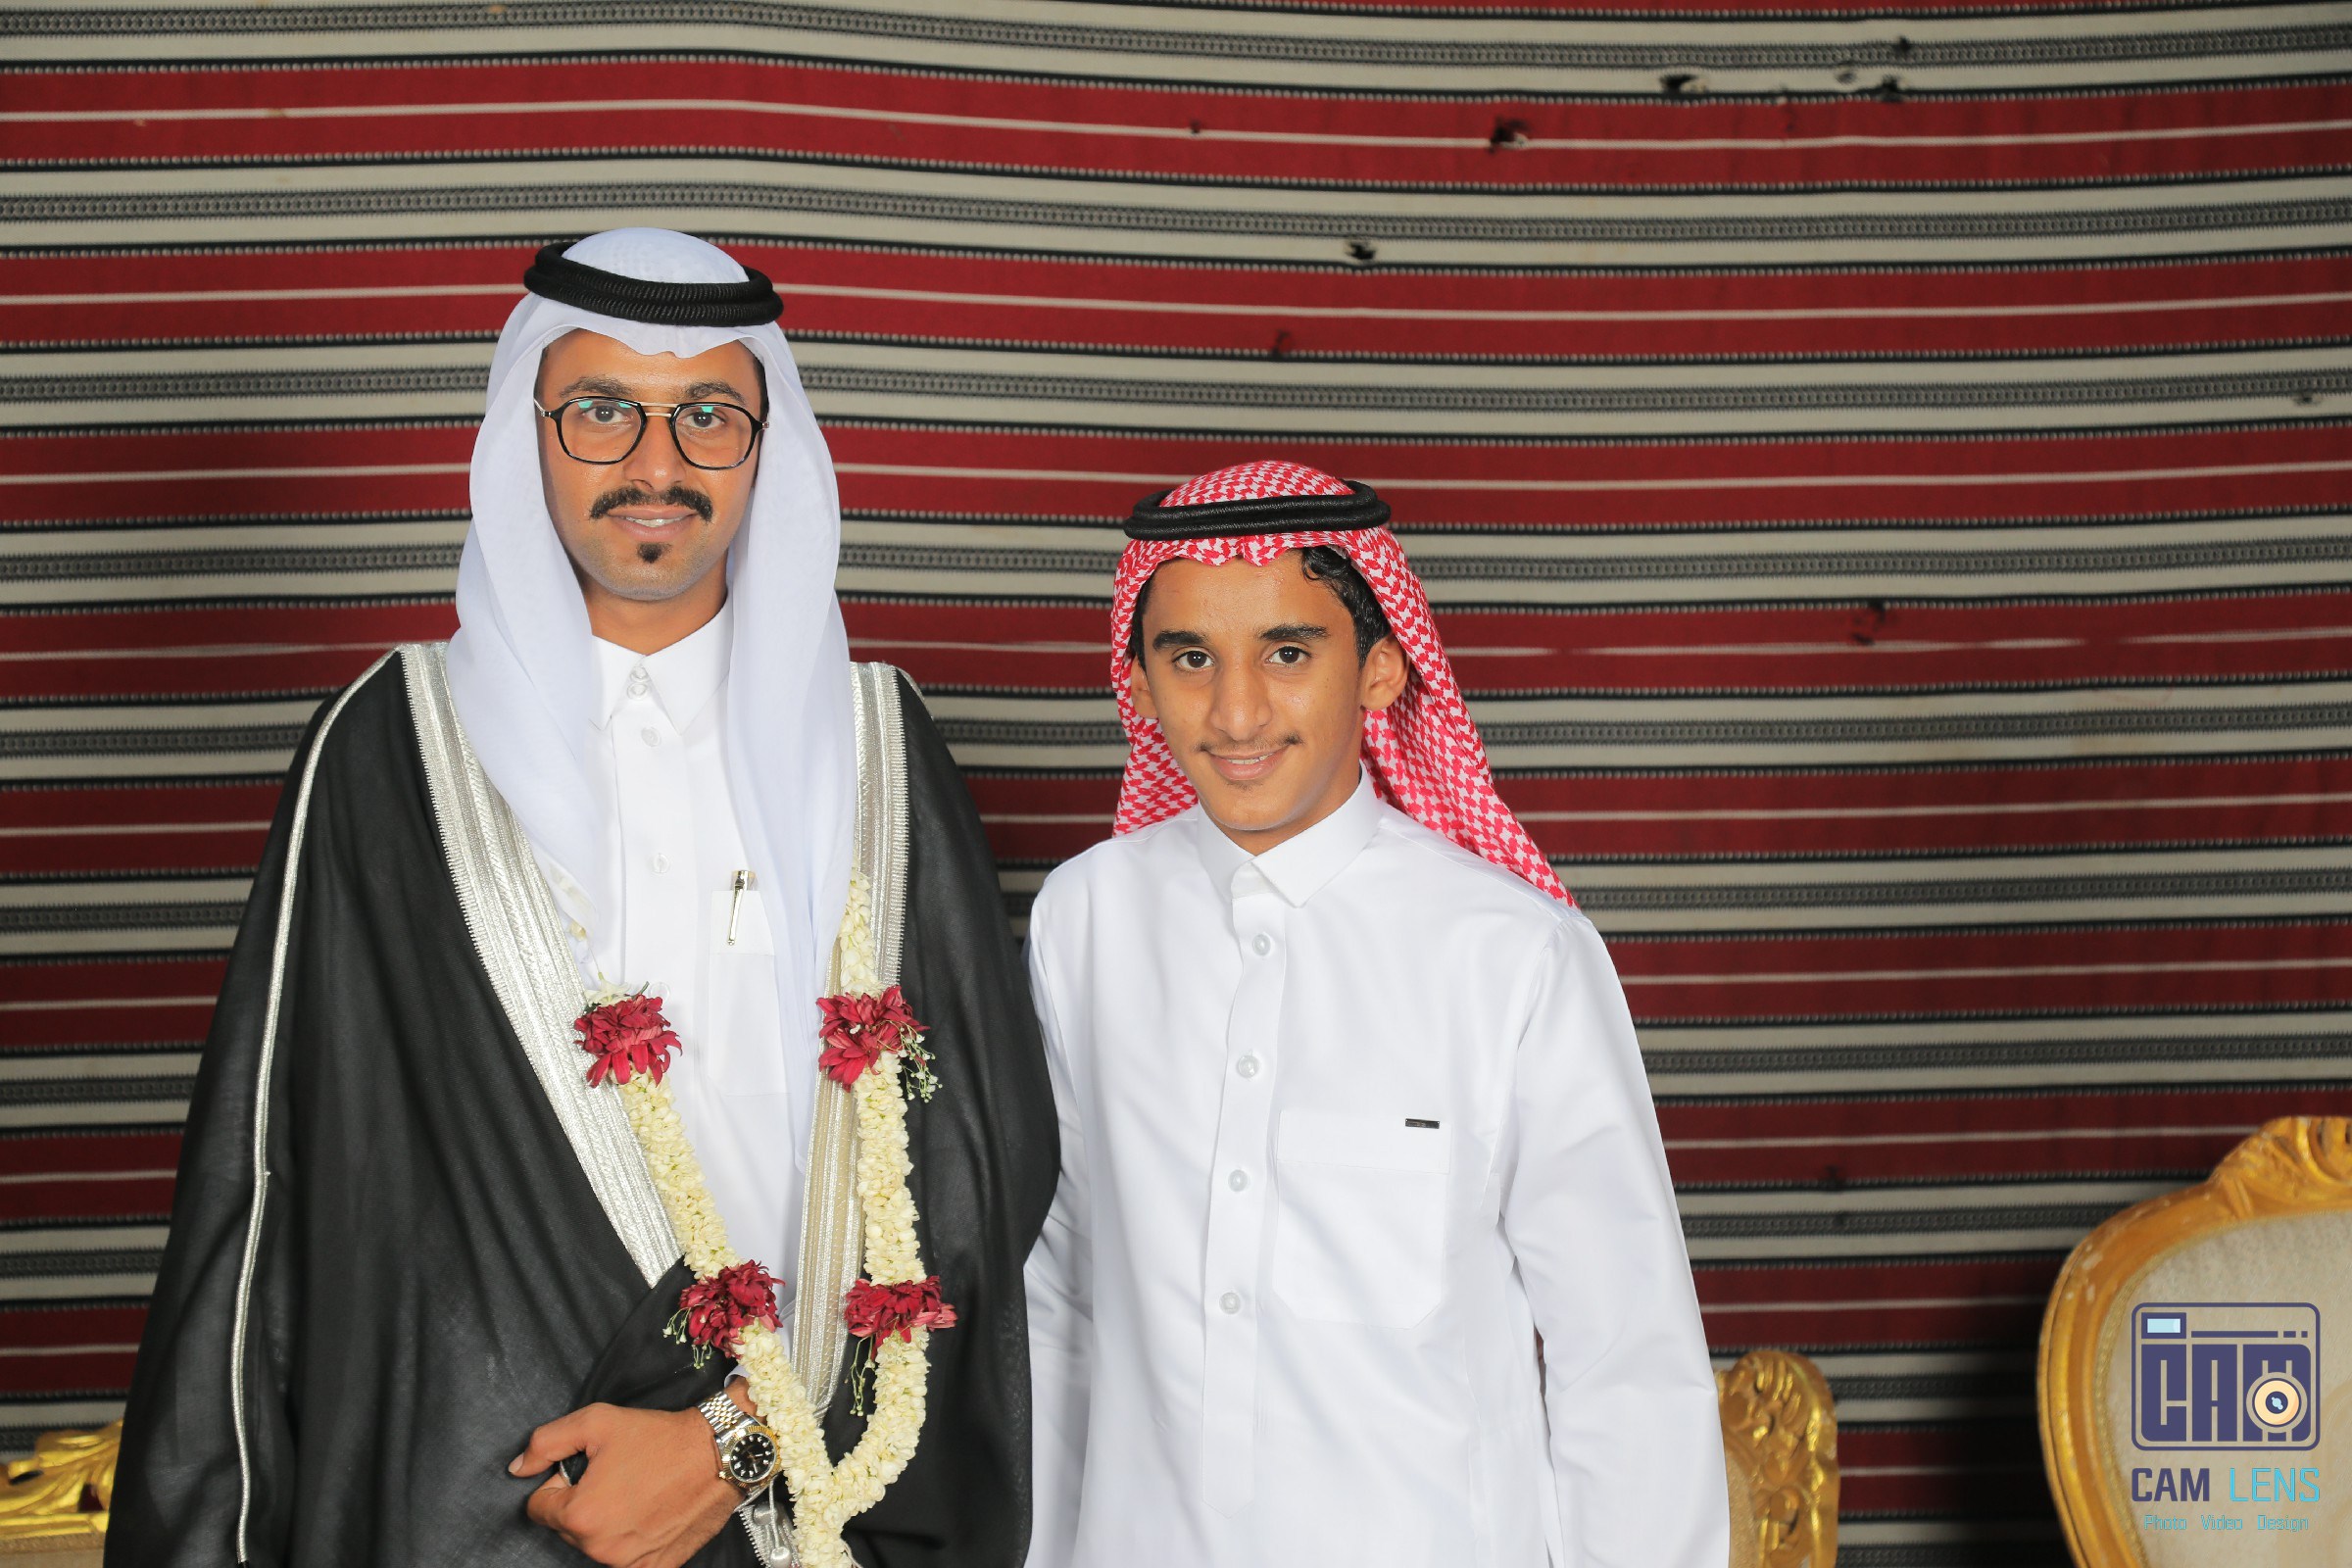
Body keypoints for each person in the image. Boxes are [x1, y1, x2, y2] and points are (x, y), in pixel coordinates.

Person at [110, 229, 1057, 1568]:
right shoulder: (390, 748)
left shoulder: (875, 751)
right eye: (603, 411)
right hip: (478, 1506)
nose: (656, 465)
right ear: (530, 436)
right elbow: (263, 1197)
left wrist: (739, 1443)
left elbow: (971, 1187)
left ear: (766, 450)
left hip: (804, 1504)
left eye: (707, 415)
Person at [1021, 461, 1728, 1568]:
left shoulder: (1512, 953)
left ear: (1383, 670)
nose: (1237, 712)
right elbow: (1055, 1303)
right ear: (1139, 682)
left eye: (1288, 653)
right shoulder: (1085, 920)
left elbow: (1625, 1359)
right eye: (1191, 657)